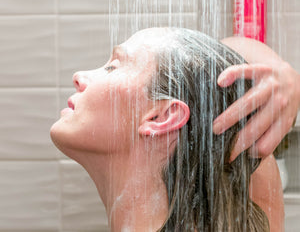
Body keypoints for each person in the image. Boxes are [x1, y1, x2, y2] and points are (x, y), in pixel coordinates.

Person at [50, 27, 300, 232]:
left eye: (112, 67)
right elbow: (230, 53)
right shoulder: (238, 167)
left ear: (162, 116)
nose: (79, 76)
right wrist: (281, 72)